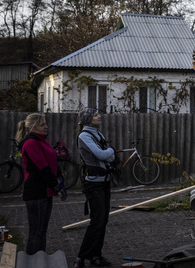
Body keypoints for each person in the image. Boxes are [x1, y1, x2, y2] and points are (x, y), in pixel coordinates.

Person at [15, 113, 65, 255]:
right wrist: (56, 183)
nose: (46, 127)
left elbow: (53, 162)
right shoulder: (31, 143)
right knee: (36, 231)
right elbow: (42, 168)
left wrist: (60, 178)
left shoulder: (44, 141)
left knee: (42, 230)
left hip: (46, 191)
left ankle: (40, 258)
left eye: (45, 124)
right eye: (42, 125)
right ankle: (32, 260)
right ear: (33, 127)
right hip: (36, 192)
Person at [74, 108, 116, 268]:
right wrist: (110, 151)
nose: (99, 116)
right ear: (88, 119)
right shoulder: (84, 136)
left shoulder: (98, 134)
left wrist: (108, 153)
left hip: (105, 181)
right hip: (94, 183)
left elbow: (110, 158)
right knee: (96, 221)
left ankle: (95, 256)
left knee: (103, 220)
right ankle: (80, 257)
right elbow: (102, 154)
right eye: (96, 115)